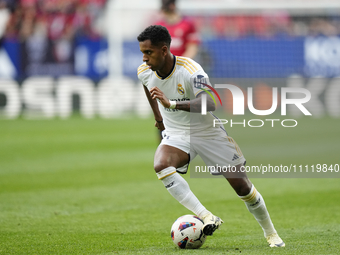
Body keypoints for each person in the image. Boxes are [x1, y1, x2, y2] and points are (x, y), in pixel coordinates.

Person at [137, 25, 285, 248]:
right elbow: (149, 90)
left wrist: (172, 104)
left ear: (164, 50)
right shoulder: (144, 72)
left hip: (207, 132)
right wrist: (159, 118)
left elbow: (210, 102)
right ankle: (206, 216)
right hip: (176, 134)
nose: (144, 58)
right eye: (142, 52)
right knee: (161, 165)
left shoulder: (190, 69)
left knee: (243, 188)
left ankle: (271, 234)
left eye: (149, 52)